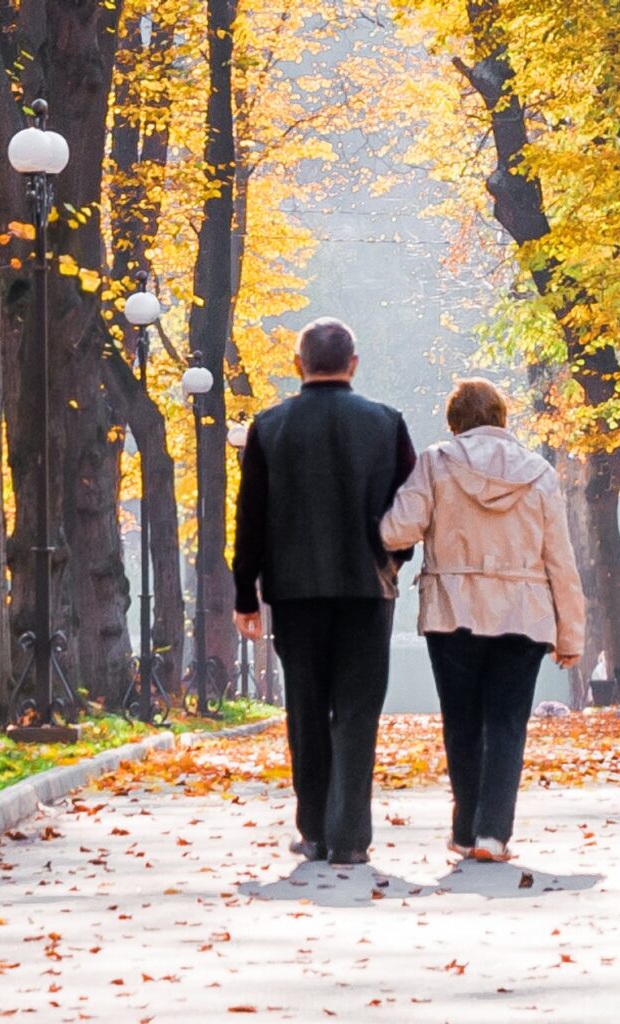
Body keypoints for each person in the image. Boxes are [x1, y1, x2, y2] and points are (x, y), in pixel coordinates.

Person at [232, 318, 416, 867]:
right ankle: (350, 836)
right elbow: (407, 509)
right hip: (366, 589)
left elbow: (251, 519)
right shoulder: (387, 424)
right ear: (353, 364)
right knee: (358, 709)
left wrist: (247, 593)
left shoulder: (270, 427)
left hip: (295, 592)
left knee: (307, 707)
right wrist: (393, 559)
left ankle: (312, 829)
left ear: (298, 364)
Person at [379, 379, 585, 864]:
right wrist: (570, 631)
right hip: (525, 616)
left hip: (454, 611)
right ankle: (493, 835)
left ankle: (464, 830)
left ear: (455, 423)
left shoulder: (436, 462)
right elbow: (560, 559)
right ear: (502, 419)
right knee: (508, 723)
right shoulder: (539, 473)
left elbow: (398, 529)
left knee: (463, 721)